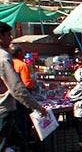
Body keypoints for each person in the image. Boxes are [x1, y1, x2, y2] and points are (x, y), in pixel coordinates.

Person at [0, 22, 47, 150]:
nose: (11, 39)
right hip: (4, 108)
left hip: (7, 107)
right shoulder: (3, 58)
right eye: (8, 35)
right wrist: (37, 107)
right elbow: (18, 88)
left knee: (20, 144)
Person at [10, 45, 34, 142]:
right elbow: (27, 84)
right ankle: (25, 140)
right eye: (23, 51)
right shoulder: (22, 65)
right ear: (19, 53)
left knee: (14, 119)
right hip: (22, 97)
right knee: (23, 119)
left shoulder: (9, 63)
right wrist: (34, 84)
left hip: (10, 95)